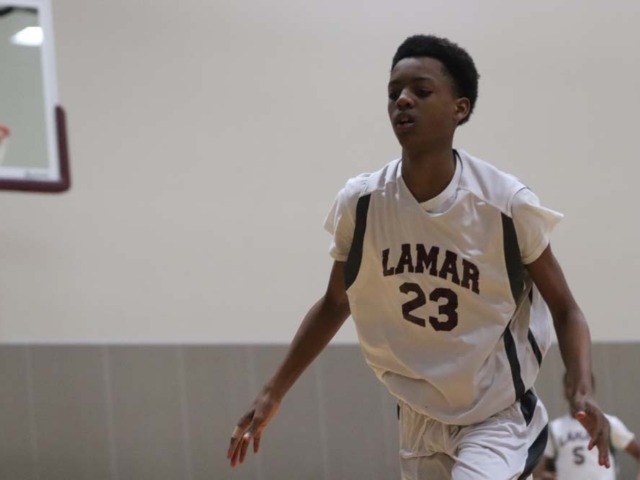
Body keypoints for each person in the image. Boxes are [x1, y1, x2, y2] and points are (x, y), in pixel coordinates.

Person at [227, 34, 611, 479]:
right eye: (394, 93)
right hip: (417, 417)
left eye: (421, 91)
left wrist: (581, 389)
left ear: (459, 109)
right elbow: (335, 303)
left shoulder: (505, 204)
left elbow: (566, 310)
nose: (403, 101)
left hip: (497, 418)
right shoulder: (363, 203)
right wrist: (273, 391)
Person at [533, 373, 640, 480]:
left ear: (592, 389)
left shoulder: (609, 423)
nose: (577, 391)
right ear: (564, 391)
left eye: (582, 386)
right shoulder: (554, 428)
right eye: (571, 385)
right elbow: (538, 471)